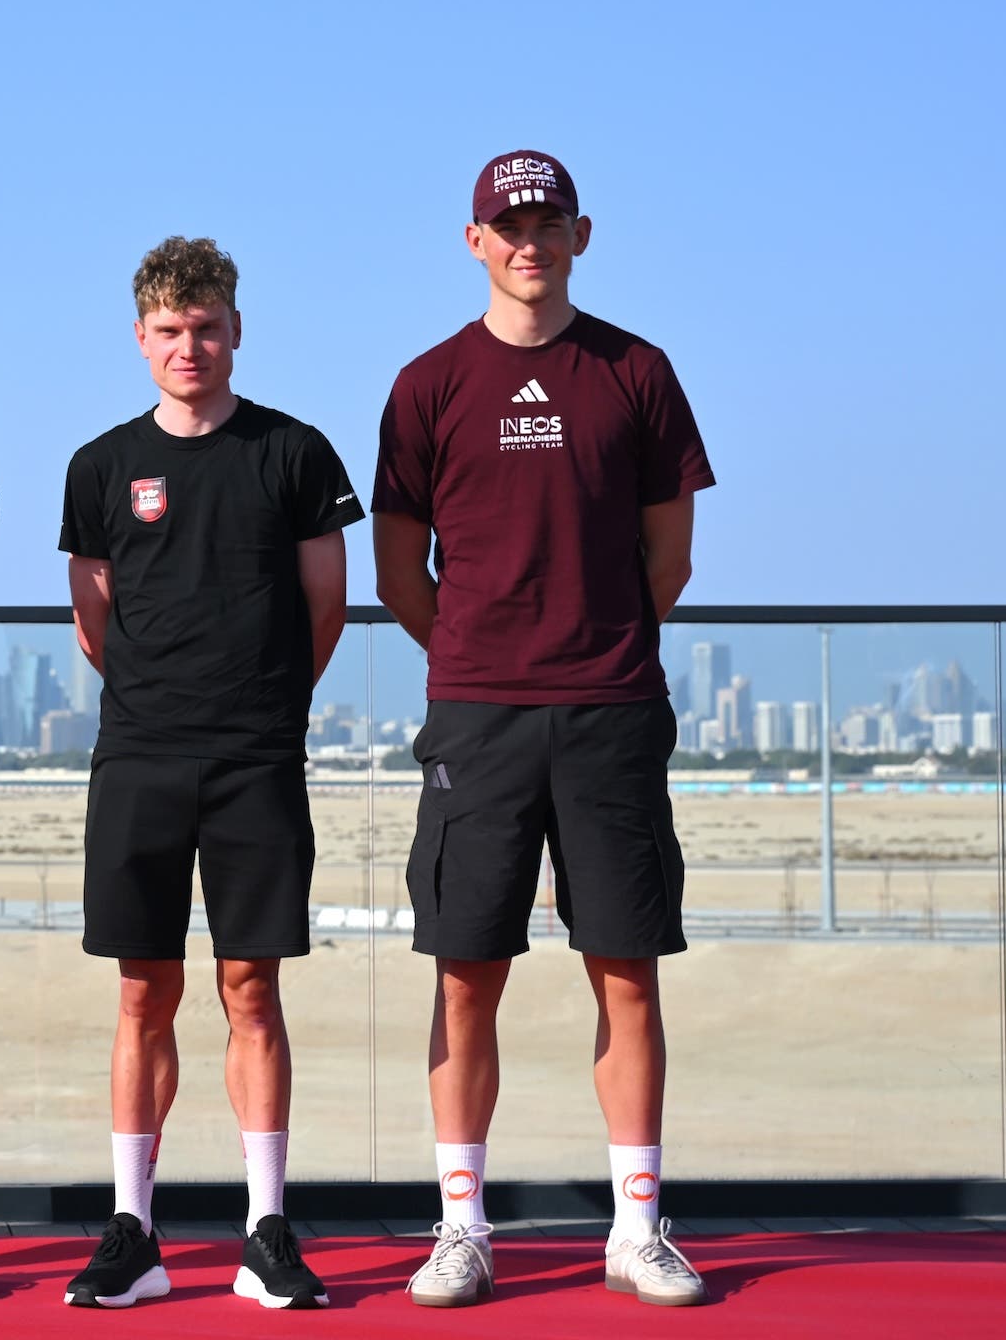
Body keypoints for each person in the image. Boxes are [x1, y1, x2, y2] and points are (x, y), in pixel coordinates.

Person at [373, 151, 714, 1309]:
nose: (529, 241)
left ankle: (637, 1226)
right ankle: (461, 1226)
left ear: (581, 234)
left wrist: (594, 640)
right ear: (474, 240)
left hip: (614, 707)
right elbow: (401, 571)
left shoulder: (639, 372)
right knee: (467, 973)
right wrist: (478, 659)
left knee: (627, 970)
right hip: (478, 711)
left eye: (548, 222)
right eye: (507, 224)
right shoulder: (428, 383)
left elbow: (669, 560)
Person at [58, 237, 359, 1312]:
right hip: (138, 756)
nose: (192, 347)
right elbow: (96, 622)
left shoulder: (296, 453)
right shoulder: (99, 466)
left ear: (237, 330)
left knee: (251, 989)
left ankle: (266, 1227)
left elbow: (326, 607)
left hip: (257, 759)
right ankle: (132, 1229)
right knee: (143, 992)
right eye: (172, 331)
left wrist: (265, 708)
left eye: (210, 327)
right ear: (142, 339)